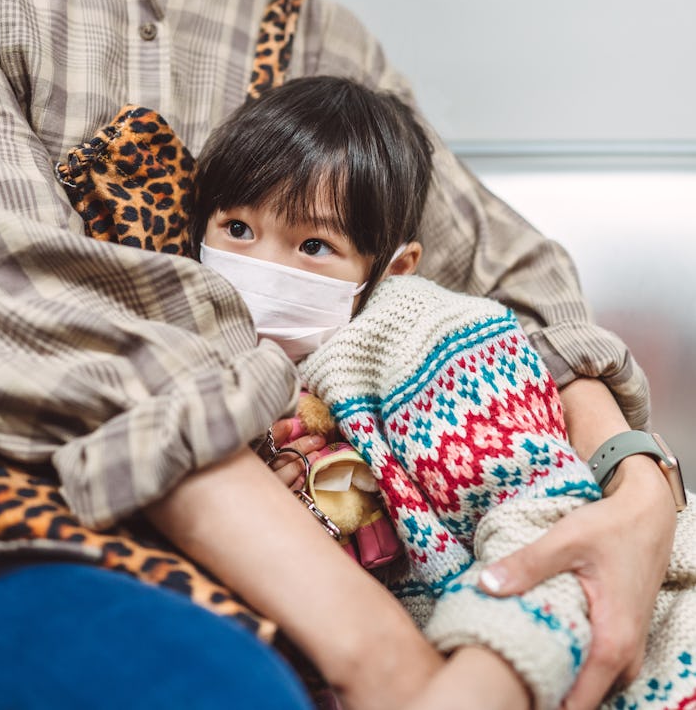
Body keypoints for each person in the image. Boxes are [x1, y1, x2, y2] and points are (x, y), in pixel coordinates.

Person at [0, 0, 678, 706]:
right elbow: (24, 310)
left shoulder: (325, 47)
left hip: (307, 571)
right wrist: (392, 668)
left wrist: (637, 495)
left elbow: (518, 284)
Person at [191, 75, 695, 710]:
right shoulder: (213, 367)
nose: (264, 268)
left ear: (393, 269)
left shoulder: (431, 339)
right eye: (238, 229)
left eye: (314, 245)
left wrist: (478, 687)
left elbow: (546, 530)